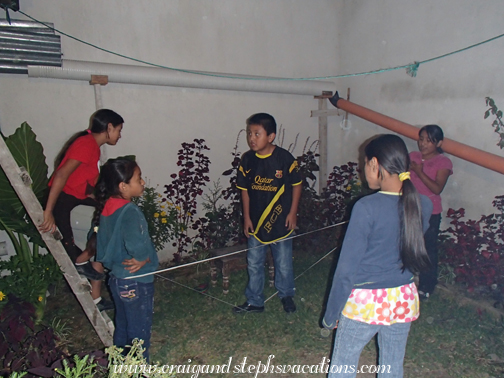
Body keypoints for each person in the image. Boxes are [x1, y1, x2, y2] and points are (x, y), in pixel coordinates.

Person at [322, 134, 433, 378]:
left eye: (364, 164)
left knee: (344, 364)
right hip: (402, 299)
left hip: (365, 303)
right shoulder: (423, 205)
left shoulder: (366, 208)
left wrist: (331, 316)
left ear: (374, 164)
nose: (363, 171)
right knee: (392, 366)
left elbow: (345, 271)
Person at [39, 109, 124, 311]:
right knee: (67, 244)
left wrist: (100, 199)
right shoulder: (86, 144)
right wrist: (48, 211)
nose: (120, 135)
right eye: (119, 130)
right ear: (109, 128)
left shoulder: (92, 146)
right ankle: (81, 264)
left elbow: (84, 183)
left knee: (106, 215)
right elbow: (61, 175)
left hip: (75, 197)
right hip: (62, 199)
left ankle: (88, 263)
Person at [233, 113, 302, 314]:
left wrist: (293, 213)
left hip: (281, 221)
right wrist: (246, 217)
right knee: (254, 263)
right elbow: (244, 191)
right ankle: (255, 301)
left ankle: (286, 295)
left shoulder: (284, 159)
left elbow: (297, 186)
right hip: (256, 223)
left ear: (271, 136)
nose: (252, 138)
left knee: (283, 262)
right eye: (249, 134)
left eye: (257, 134)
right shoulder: (247, 160)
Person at [93, 158, 158, 360]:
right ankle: (139, 370)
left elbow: (103, 245)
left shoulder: (108, 207)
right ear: (123, 186)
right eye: (138, 179)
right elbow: (136, 244)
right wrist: (143, 258)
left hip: (117, 281)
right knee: (139, 331)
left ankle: (120, 366)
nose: (143, 182)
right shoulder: (130, 211)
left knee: (123, 327)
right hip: (137, 281)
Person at [409, 125, 453, 300]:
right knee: (406, 244)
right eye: (421, 139)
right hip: (410, 208)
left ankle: (426, 286)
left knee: (428, 249)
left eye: (429, 140)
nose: (423, 144)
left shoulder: (444, 162)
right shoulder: (412, 157)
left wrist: (419, 172)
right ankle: (404, 280)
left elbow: (437, 189)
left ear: (439, 143)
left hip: (430, 211)